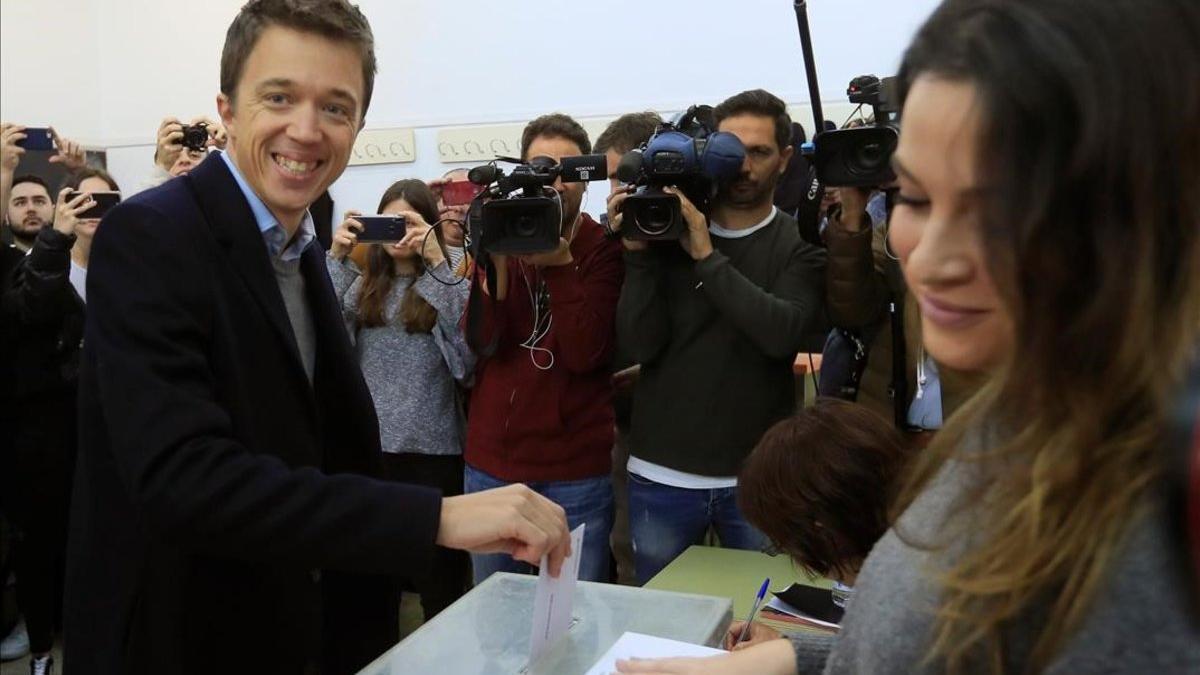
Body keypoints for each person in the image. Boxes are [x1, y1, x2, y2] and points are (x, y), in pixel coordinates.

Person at [617, 0, 1200, 673]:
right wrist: (792, 658)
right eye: (918, 198)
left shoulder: (1153, 542)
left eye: (1000, 206)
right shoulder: (1015, 435)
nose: (934, 256)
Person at [64, 2, 570, 673]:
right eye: (279, 96)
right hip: (186, 634)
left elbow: (315, 442)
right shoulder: (153, 235)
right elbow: (183, 478)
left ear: (358, 124)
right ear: (228, 107)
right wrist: (435, 517)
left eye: (335, 107)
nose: (305, 130)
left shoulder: (301, 237)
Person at [614, 89, 827, 584]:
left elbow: (780, 335)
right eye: (732, 150)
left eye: (760, 152)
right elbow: (640, 345)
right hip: (662, 473)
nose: (744, 167)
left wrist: (707, 254)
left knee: (759, 620)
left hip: (759, 481)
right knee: (661, 624)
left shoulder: (799, 245)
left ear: (785, 159)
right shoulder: (662, 231)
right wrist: (639, 256)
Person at [463, 113, 625, 584]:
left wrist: (560, 264)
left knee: (573, 617)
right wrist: (496, 263)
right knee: (492, 616)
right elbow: (480, 343)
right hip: (492, 466)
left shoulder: (601, 249)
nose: (554, 182)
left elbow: (586, 354)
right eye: (541, 167)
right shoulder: (503, 236)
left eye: (566, 171)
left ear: (584, 179)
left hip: (573, 473)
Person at [327, 178, 473, 620]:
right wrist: (336, 256)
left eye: (406, 223)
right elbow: (319, 331)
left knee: (439, 582)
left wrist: (434, 261)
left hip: (432, 451)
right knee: (375, 580)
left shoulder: (451, 276)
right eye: (387, 223)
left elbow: (468, 354)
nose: (398, 235)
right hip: (372, 449)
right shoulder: (363, 283)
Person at [723, 398, 909, 649]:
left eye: (783, 542)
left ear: (820, 528)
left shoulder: (910, 606)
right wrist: (784, 646)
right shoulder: (911, 559)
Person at [0, 181, 94, 675]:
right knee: (35, 549)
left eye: (40, 199)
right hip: (26, 437)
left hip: (78, 426)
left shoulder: (77, 253)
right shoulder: (10, 264)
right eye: (21, 201)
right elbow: (34, 303)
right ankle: (40, 652)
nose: (32, 208)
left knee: (80, 541)